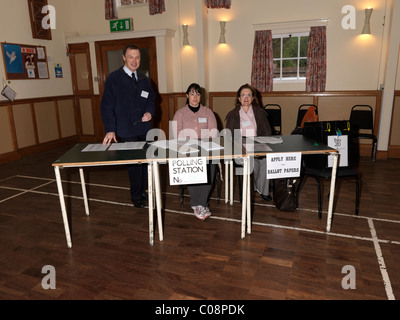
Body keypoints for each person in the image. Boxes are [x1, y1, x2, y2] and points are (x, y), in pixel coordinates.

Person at [101, 44, 155, 208]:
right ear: (124, 58)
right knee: (133, 166)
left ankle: (143, 192)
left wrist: (150, 112)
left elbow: (151, 100)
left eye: (137, 57)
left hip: (144, 130)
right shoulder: (114, 78)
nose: (134, 60)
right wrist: (110, 129)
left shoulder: (145, 79)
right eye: (131, 57)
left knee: (145, 163)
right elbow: (106, 106)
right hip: (126, 130)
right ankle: (136, 196)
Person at [171, 83, 218, 220]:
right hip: (187, 150)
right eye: (192, 94)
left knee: (211, 162)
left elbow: (213, 133)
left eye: (198, 94)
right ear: (187, 96)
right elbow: (177, 135)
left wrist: (203, 144)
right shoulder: (180, 113)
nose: (195, 97)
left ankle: (199, 204)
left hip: (206, 149)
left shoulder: (208, 112)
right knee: (192, 164)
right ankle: (200, 205)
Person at [225, 83, 273, 201]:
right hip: (240, 145)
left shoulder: (260, 113)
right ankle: (250, 188)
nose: (246, 98)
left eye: (249, 95)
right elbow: (229, 136)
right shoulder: (233, 115)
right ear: (239, 98)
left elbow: (267, 132)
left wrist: (261, 144)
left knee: (266, 161)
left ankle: (263, 190)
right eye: (243, 95)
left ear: (253, 98)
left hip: (258, 143)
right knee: (253, 164)